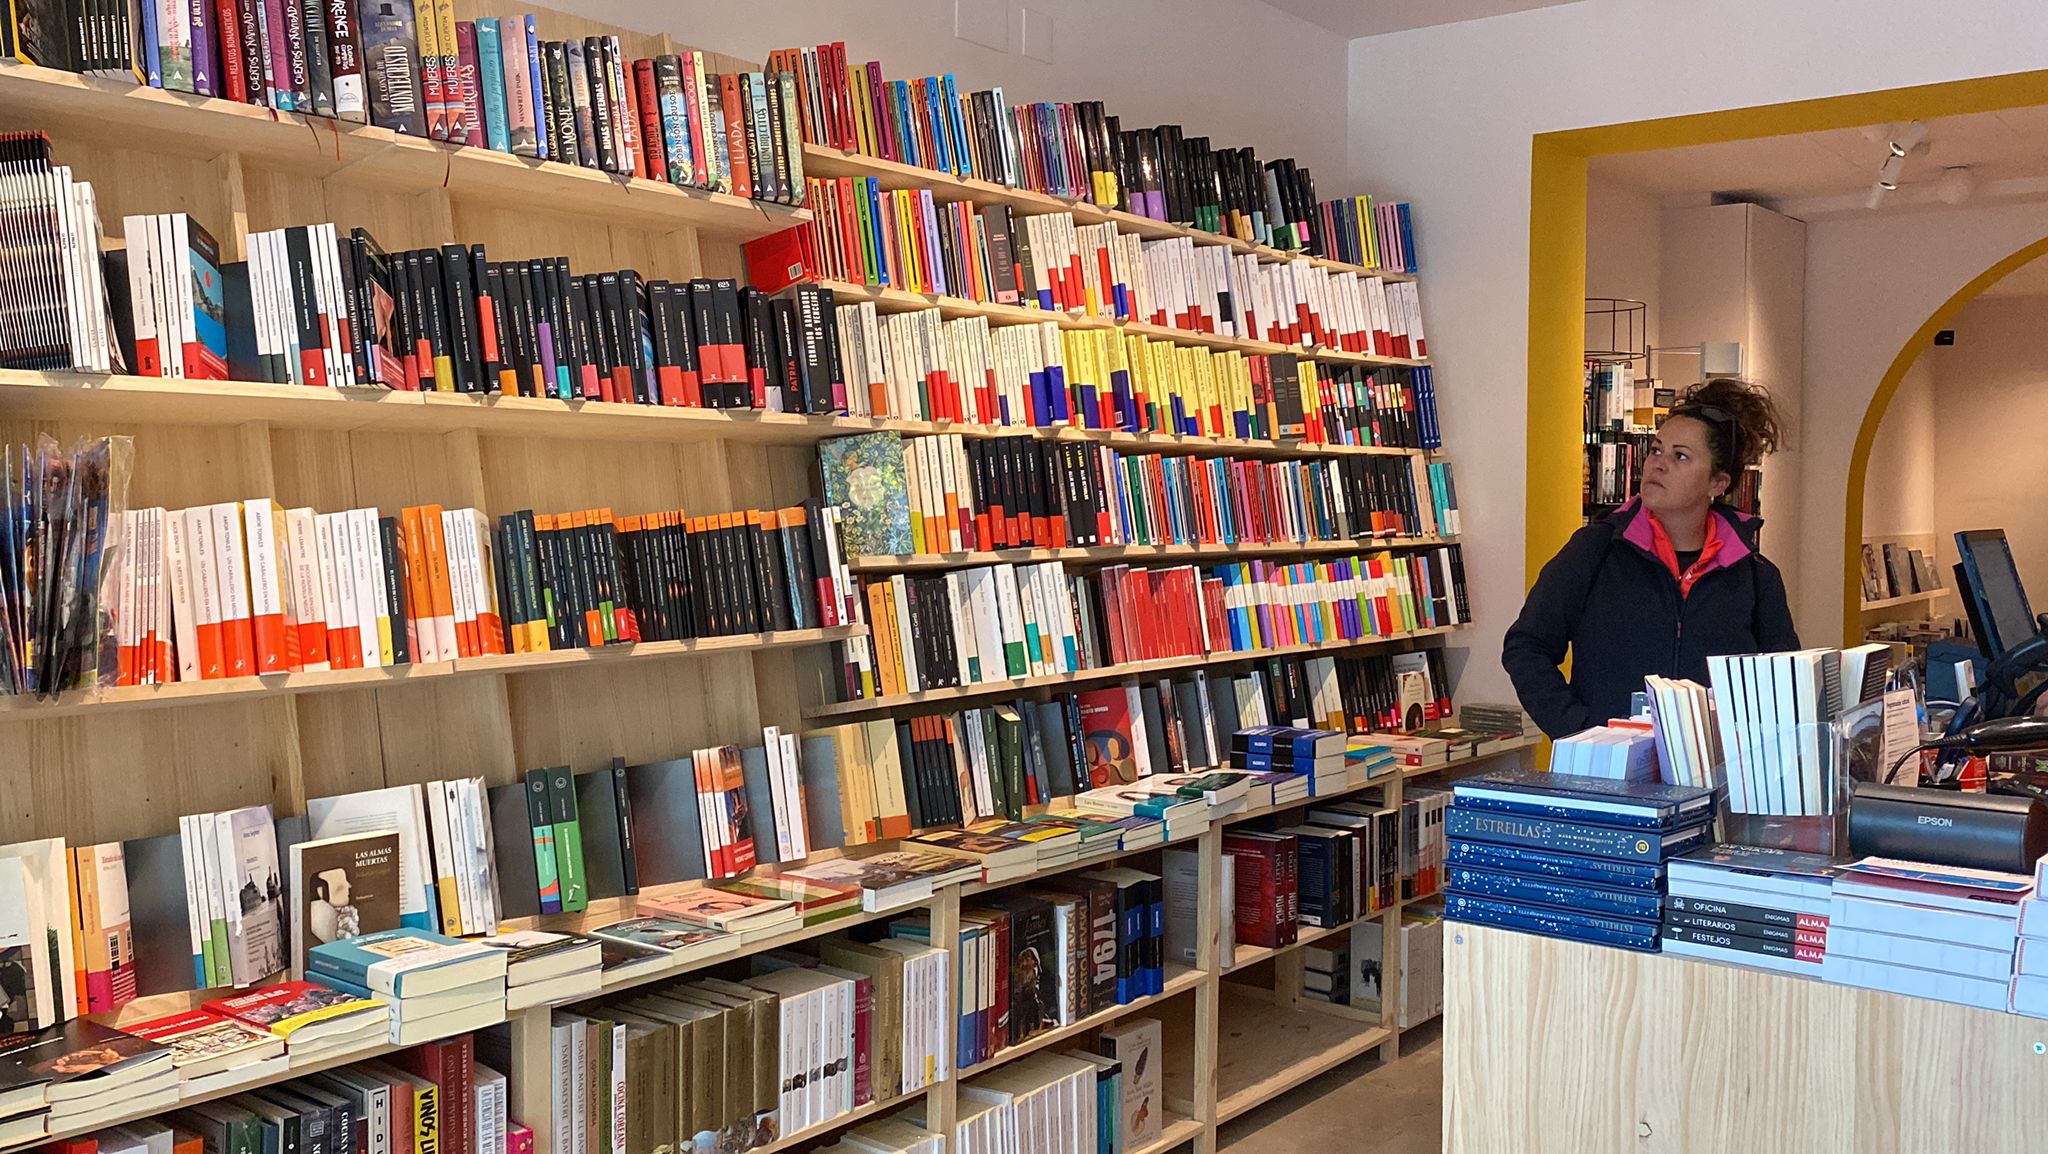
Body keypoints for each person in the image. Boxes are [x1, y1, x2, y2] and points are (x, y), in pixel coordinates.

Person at [1504, 377, 1800, 738]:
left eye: (1680, 456)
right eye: (1656, 450)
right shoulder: (1595, 550)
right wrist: (1579, 732)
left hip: (1714, 780)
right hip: (1607, 778)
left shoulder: (1754, 576)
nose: (1657, 465)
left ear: (1717, 484)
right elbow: (1526, 646)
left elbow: (1781, 686)